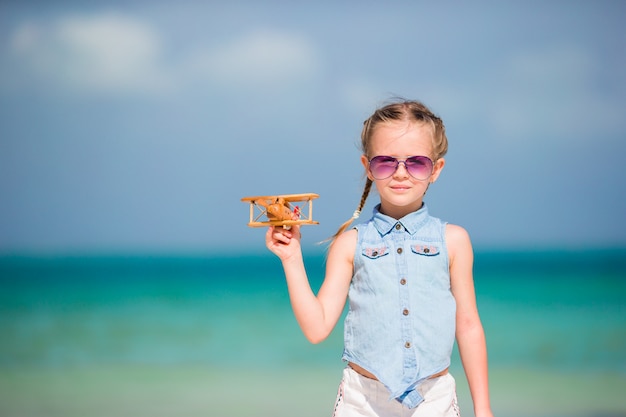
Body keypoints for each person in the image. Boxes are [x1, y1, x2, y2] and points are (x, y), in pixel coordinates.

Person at [265, 99, 493, 417]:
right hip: (361, 402)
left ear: (436, 169)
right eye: (386, 162)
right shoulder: (350, 244)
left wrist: (483, 409)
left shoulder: (453, 241)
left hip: (434, 400)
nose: (401, 173)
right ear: (368, 167)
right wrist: (291, 258)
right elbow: (316, 329)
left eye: (417, 163)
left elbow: (468, 326)